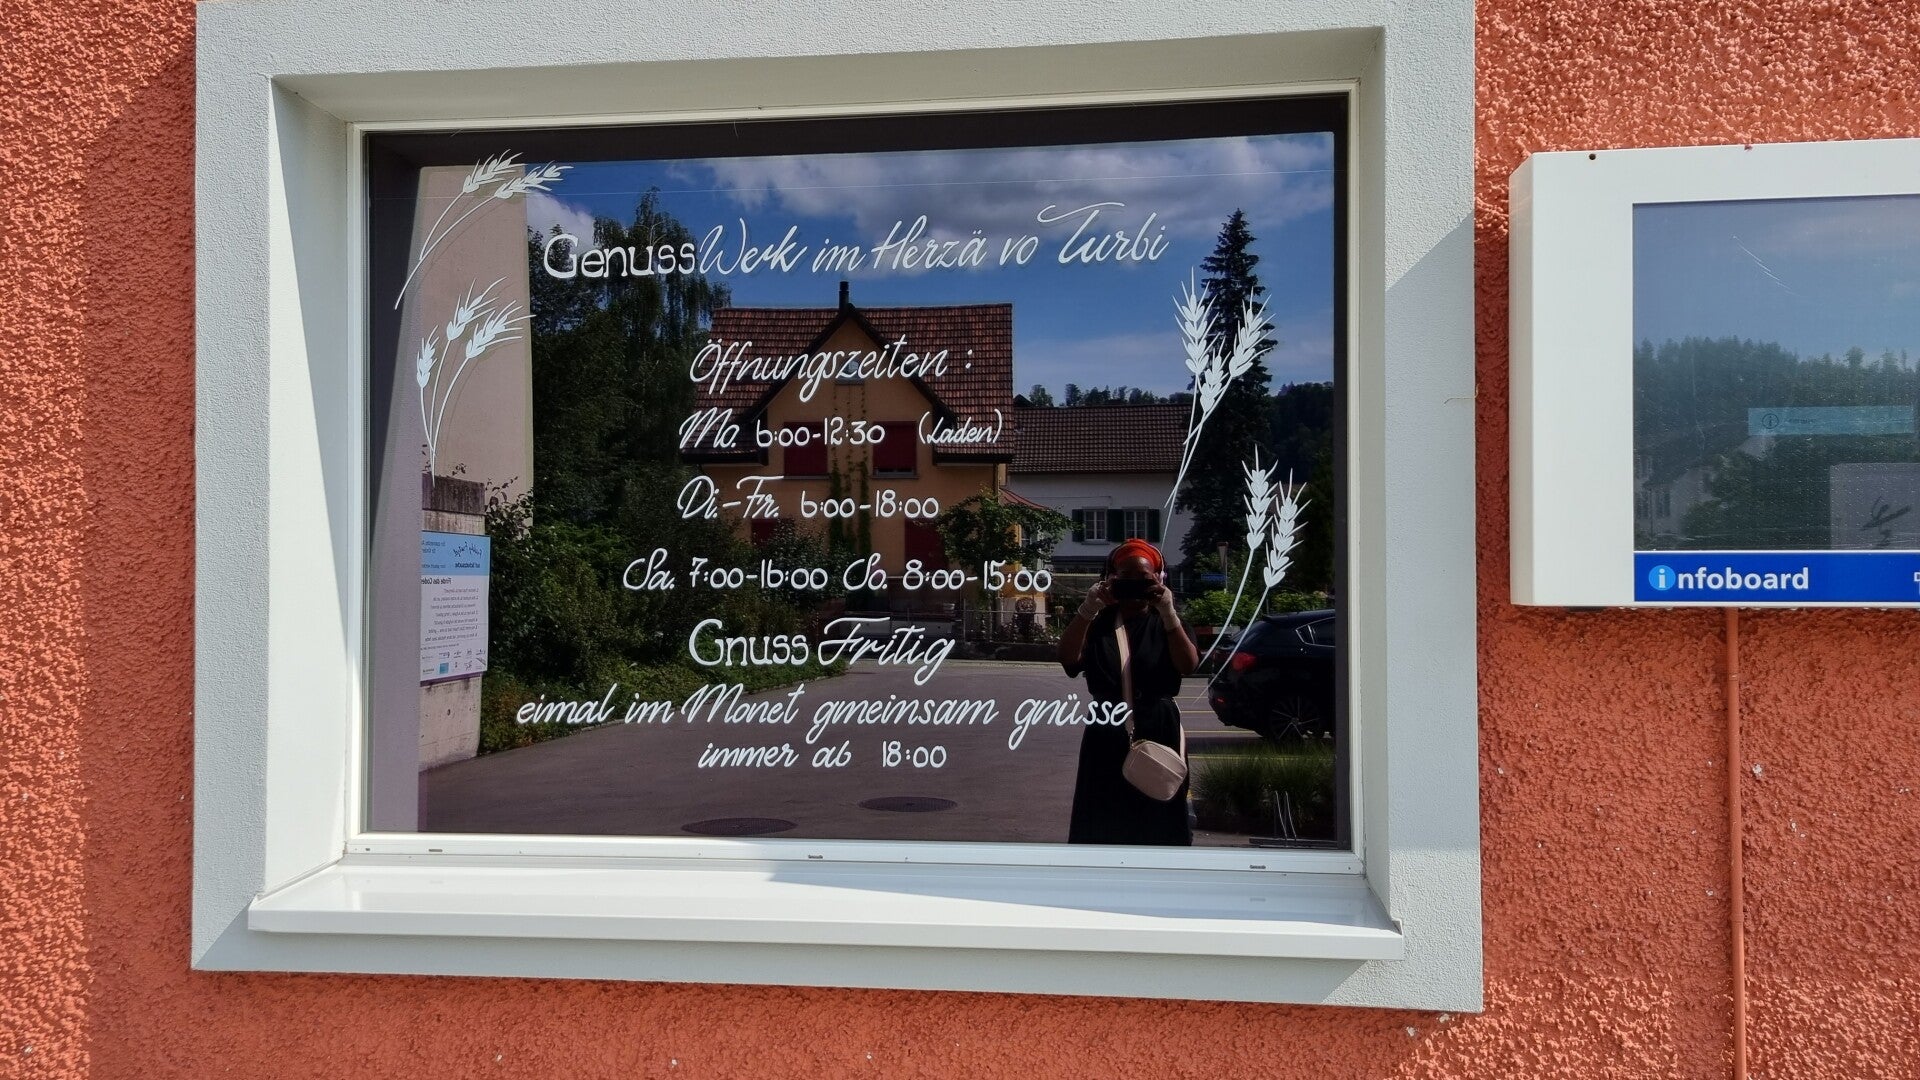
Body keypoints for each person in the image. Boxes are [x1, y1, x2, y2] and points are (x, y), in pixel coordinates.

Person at [1057, 537, 1200, 845]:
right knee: (1104, 820)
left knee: (1158, 819)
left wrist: (1168, 612)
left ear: (1159, 579)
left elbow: (1188, 665)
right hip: (1106, 730)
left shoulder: (1168, 622)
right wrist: (1087, 609)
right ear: (1110, 579)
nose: (1134, 585)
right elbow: (1068, 658)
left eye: (1143, 578)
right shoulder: (1099, 623)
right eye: (1125, 578)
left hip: (1159, 730)